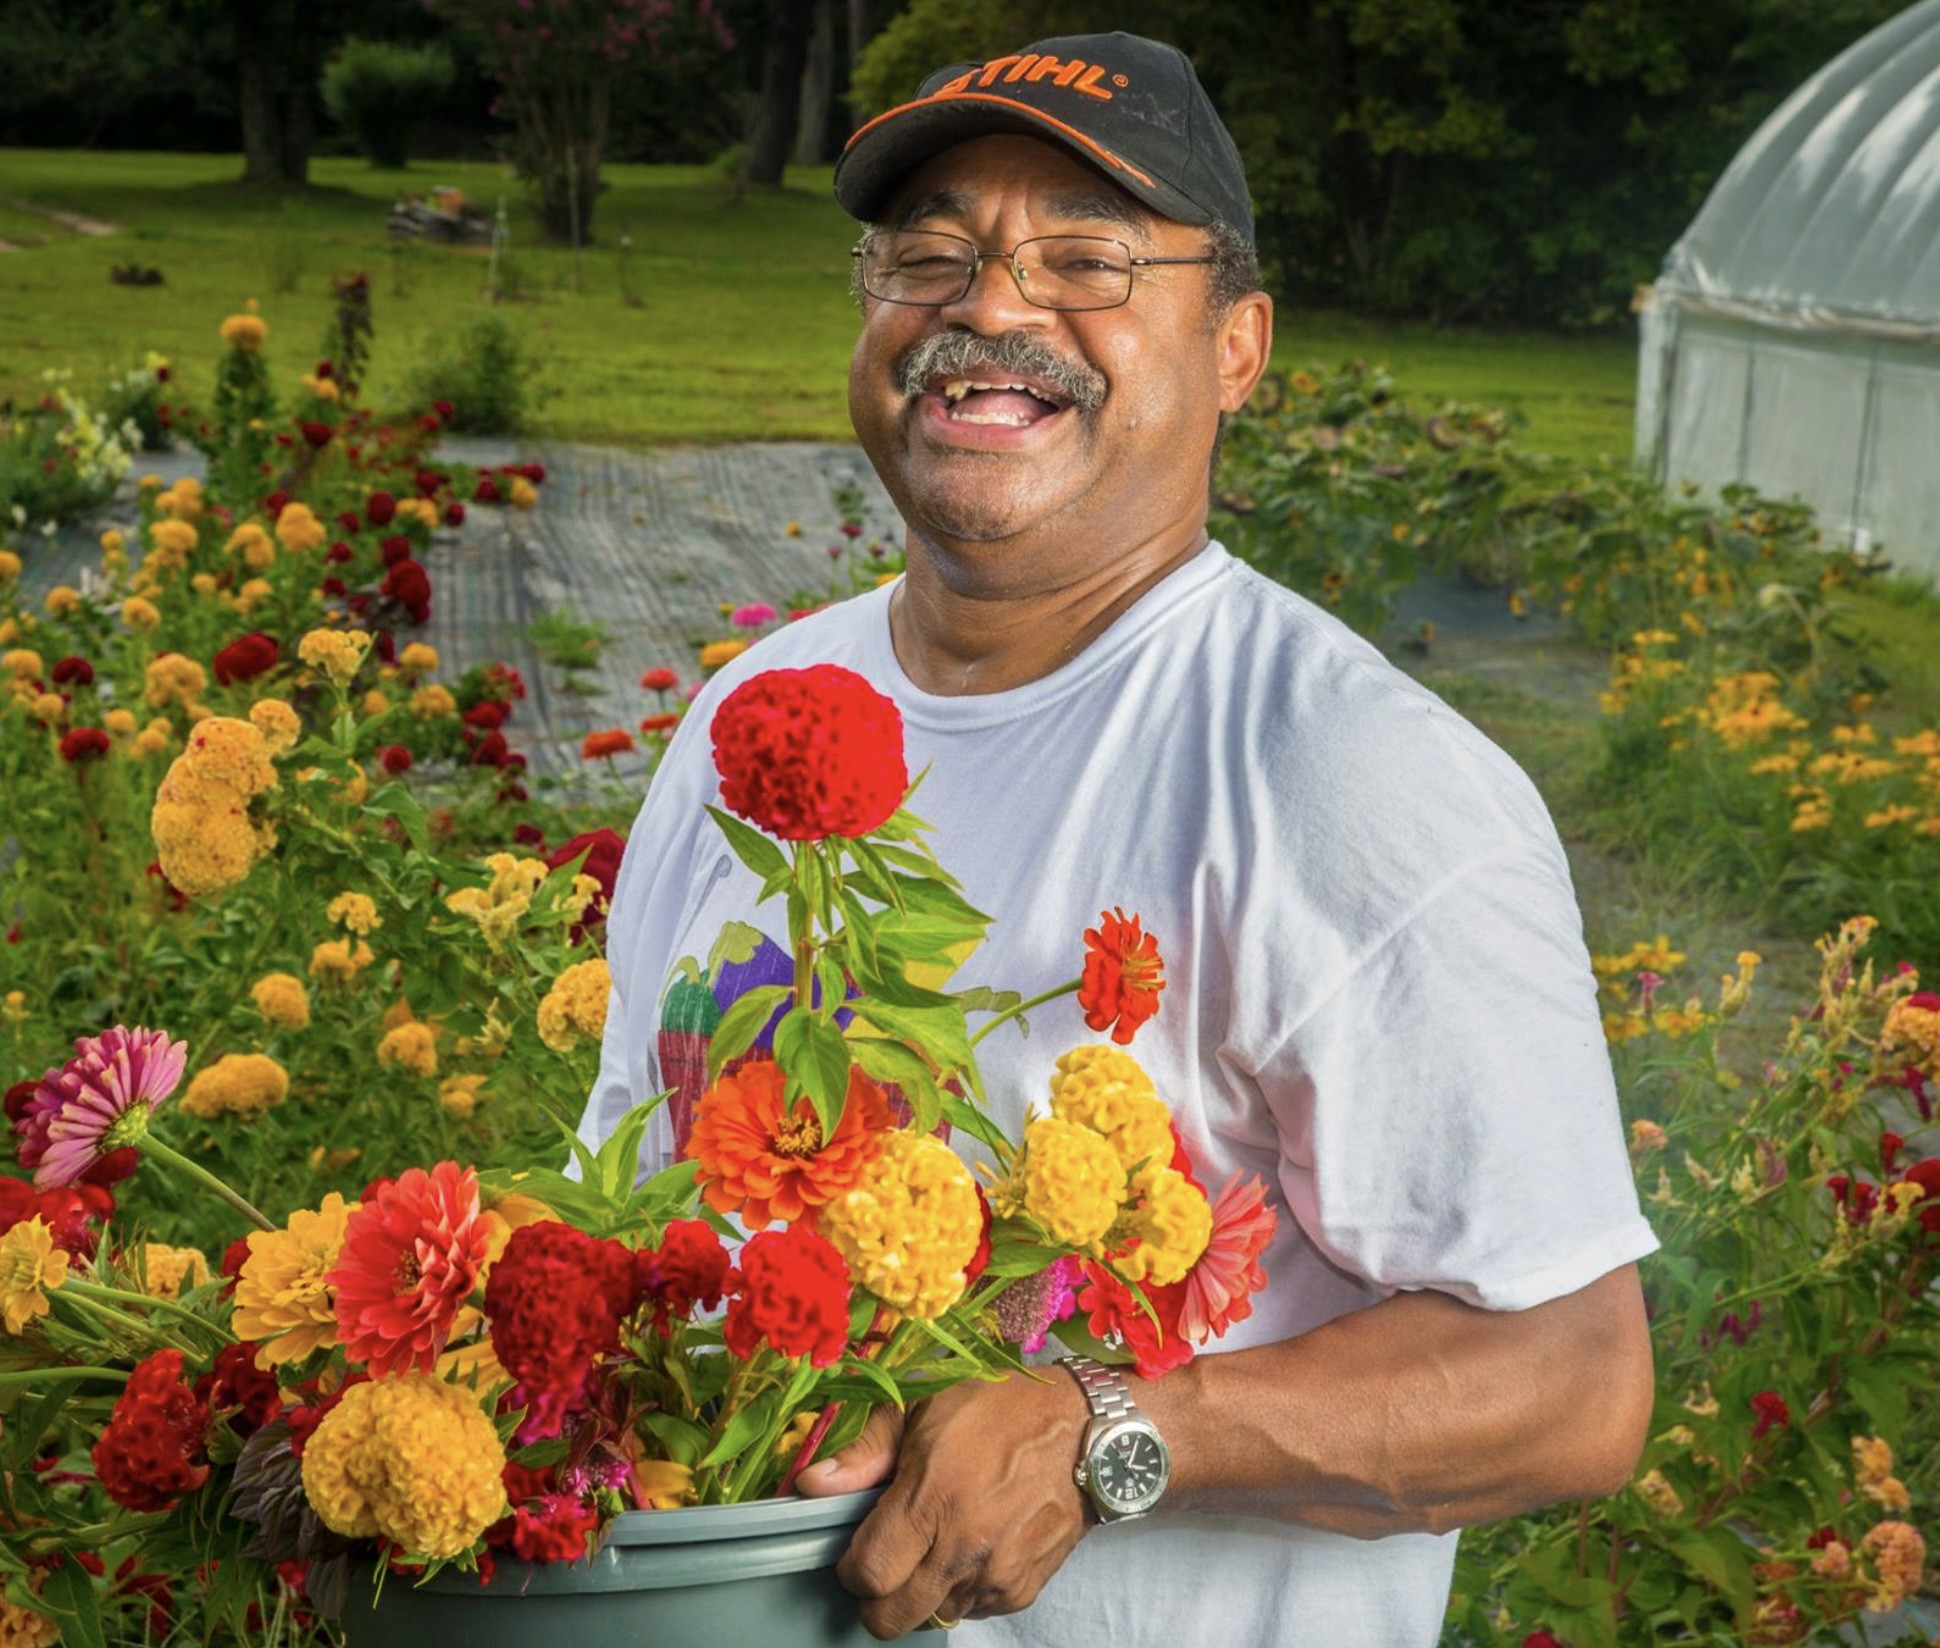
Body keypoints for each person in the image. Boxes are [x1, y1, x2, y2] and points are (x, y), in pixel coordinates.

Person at [577, 30, 1658, 1647]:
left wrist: (1108, 1438)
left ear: (1236, 346)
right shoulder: (757, 710)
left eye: (1087, 259)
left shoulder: (1348, 777)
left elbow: (1573, 1384)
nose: (991, 309)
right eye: (928, 254)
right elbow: (635, 1195)